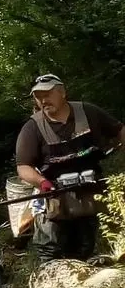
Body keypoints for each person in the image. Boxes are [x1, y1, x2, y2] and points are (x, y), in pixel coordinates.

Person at [15, 74, 125, 263]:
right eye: (38, 96)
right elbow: (23, 167)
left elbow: (120, 130)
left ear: (62, 92)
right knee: (50, 252)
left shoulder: (89, 112)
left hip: (92, 192)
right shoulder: (32, 127)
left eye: (47, 94)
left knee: (87, 250)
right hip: (54, 195)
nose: (43, 100)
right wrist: (42, 182)